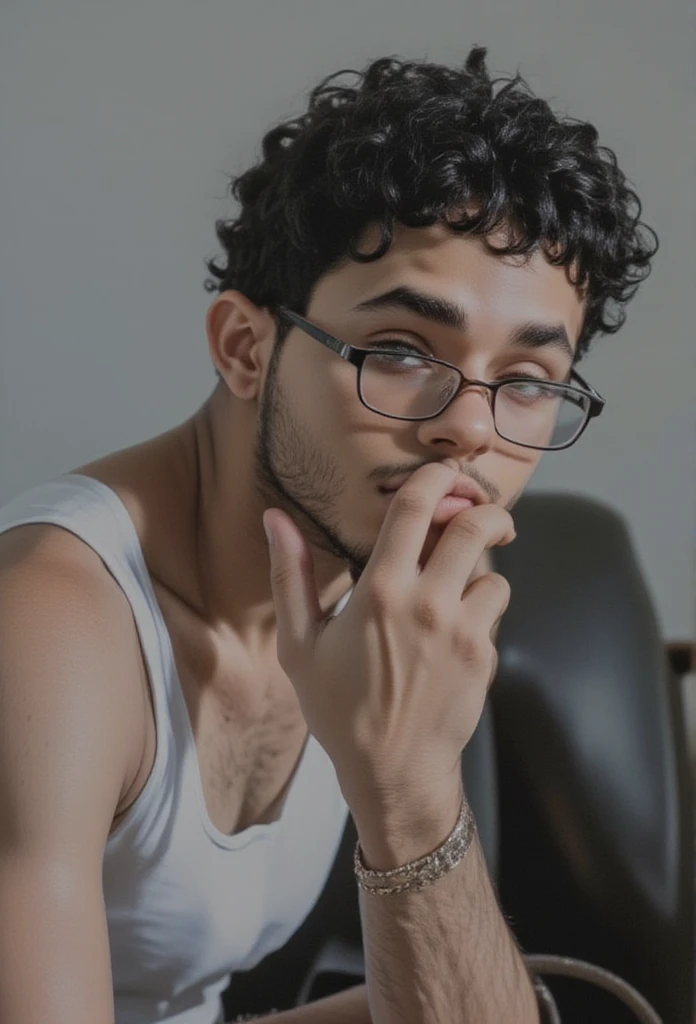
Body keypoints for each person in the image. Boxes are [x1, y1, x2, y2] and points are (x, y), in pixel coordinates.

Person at [0, 45, 657, 1024]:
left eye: (524, 380)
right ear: (245, 348)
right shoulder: (51, 625)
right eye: (399, 351)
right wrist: (403, 785)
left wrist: (416, 787)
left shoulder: (369, 603)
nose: (469, 427)